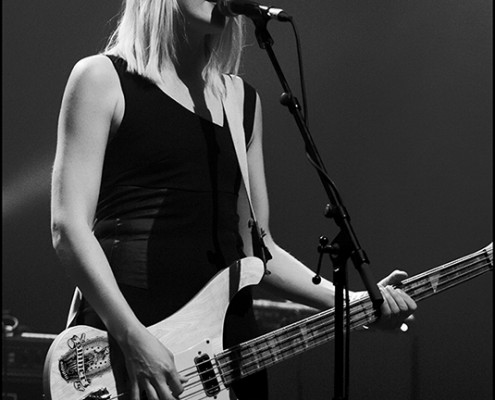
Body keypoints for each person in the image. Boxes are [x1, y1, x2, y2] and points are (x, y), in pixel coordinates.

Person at [50, 1, 417, 399]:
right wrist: (132, 336)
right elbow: (68, 227)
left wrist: (356, 302)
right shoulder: (101, 78)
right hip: (132, 339)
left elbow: (259, 251)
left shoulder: (241, 101)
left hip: (228, 349)